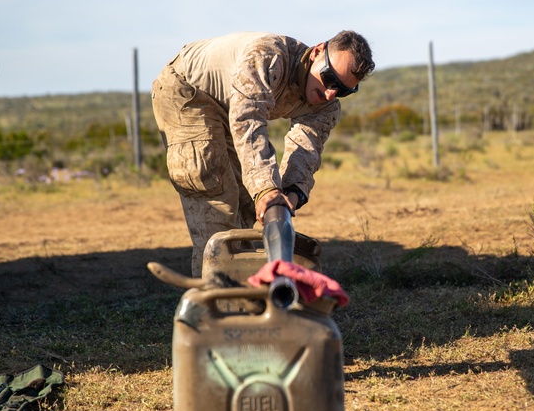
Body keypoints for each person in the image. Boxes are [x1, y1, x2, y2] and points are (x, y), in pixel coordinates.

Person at [151, 30, 374, 276]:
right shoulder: (268, 56)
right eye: (329, 77)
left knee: (249, 204)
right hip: (188, 91)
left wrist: (290, 195)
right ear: (318, 51)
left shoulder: (327, 105)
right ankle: (215, 301)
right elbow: (248, 120)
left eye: (342, 90)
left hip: (228, 109)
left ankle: (243, 291)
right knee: (218, 203)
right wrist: (268, 190)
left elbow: (305, 149)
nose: (331, 92)